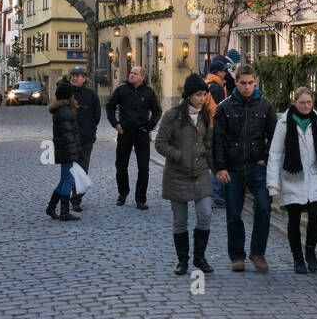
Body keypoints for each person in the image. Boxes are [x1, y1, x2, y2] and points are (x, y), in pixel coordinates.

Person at [212, 64, 277, 272]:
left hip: (258, 167)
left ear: (255, 82)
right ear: (236, 83)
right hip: (233, 168)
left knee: (264, 208)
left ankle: (258, 253)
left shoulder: (265, 106)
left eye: (250, 83)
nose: (247, 87)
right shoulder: (225, 107)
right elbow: (217, 141)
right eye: (243, 83)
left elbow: (274, 137)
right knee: (233, 213)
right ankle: (237, 256)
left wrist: (265, 159)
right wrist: (220, 168)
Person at [267, 87, 317, 273]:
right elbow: (275, 154)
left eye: (309, 102)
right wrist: (272, 184)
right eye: (302, 102)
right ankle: (297, 257)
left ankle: (310, 252)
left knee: (315, 218)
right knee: (294, 219)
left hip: (315, 176)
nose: (306, 106)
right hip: (292, 177)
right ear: (294, 103)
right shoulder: (284, 123)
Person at [154, 73, 216, 275]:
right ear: (189, 95)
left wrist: (211, 161)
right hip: (177, 174)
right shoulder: (173, 115)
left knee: (205, 215)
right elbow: (160, 143)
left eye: (204, 95)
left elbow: (208, 142)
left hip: (200, 174)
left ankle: (200, 258)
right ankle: (183, 261)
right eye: (199, 95)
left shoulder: (205, 114)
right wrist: (177, 155)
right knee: (180, 220)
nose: (202, 99)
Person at [105, 65, 161, 208]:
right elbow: (110, 106)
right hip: (125, 133)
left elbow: (156, 111)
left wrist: (150, 125)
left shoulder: (148, 92)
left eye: (135, 74)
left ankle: (140, 199)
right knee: (121, 165)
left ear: (142, 77)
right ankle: (123, 193)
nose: (131, 75)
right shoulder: (122, 90)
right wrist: (115, 124)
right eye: (131, 73)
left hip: (142, 133)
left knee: (143, 167)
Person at [46, 81, 81, 221]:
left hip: (64, 149)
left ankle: (51, 207)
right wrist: (74, 153)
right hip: (67, 150)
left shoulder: (61, 109)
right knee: (68, 180)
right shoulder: (65, 111)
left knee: (64, 179)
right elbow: (68, 135)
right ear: (69, 95)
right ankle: (64, 212)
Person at [68, 66, 101, 212]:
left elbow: (97, 115)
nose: (75, 78)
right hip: (68, 138)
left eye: (78, 75)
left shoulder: (91, 94)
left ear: (84, 78)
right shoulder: (66, 93)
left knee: (82, 169)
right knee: (69, 169)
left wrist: (90, 130)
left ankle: (76, 198)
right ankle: (65, 196)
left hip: (86, 138)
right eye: (73, 75)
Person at [204, 57, 229, 208]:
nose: (225, 73)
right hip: (215, 127)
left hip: (208, 126)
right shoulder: (216, 87)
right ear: (218, 72)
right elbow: (221, 108)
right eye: (224, 71)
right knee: (216, 160)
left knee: (212, 159)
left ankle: (215, 193)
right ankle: (217, 194)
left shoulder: (208, 84)